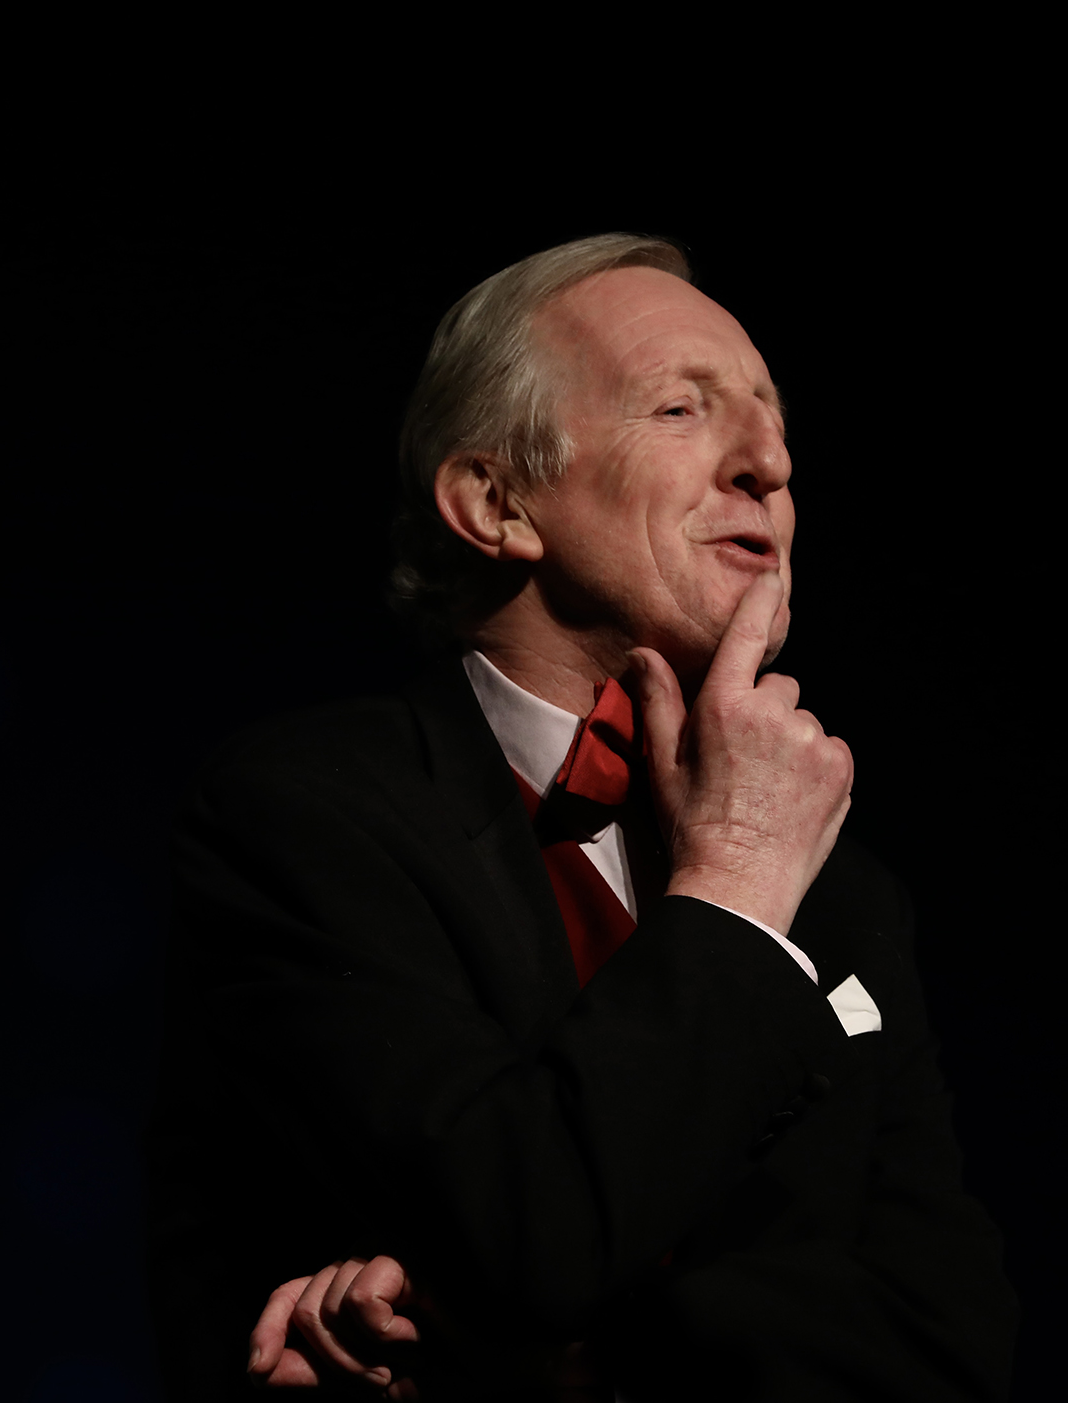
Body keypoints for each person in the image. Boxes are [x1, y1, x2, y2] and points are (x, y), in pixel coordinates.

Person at [147, 234, 1018, 1400]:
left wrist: (558, 1356)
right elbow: (522, 1233)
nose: (769, 464)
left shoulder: (846, 891)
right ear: (496, 501)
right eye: (680, 408)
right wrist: (735, 886)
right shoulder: (307, 815)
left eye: (775, 427)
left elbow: (951, 1347)